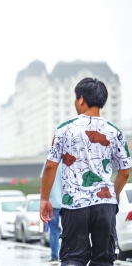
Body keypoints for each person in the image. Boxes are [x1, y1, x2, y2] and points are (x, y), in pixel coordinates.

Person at [40, 77, 131, 266]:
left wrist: (44, 199)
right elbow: (124, 172)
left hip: (74, 205)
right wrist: (111, 195)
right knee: (103, 260)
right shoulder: (115, 132)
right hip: (104, 205)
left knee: (73, 257)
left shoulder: (64, 130)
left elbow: (50, 166)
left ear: (80, 99)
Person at [40, 162, 62, 265]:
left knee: (54, 230)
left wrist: (44, 199)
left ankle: (54, 256)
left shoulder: (51, 160)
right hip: (69, 202)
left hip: (53, 203)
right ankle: (69, 254)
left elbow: (44, 177)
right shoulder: (70, 158)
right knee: (70, 229)